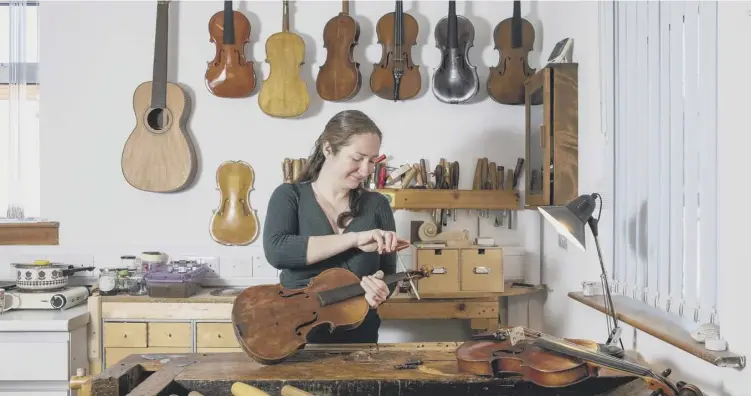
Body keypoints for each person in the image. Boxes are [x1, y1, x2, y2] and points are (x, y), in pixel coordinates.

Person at [263, 109, 403, 344]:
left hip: (360, 334)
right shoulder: (290, 196)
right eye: (357, 158)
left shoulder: (378, 205)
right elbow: (277, 251)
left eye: (372, 160)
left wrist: (381, 289)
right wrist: (354, 239)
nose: (367, 170)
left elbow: (390, 272)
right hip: (297, 337)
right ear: (328, 149)